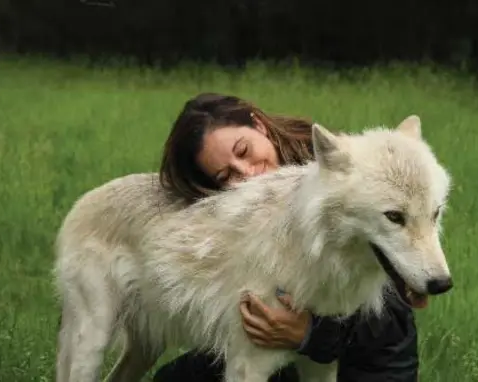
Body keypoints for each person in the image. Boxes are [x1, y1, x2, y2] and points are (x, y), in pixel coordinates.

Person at [153, 92, 420, 382]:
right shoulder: (241, 210)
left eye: (243, 151)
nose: (246, 173)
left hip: (367, 365)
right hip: (289, 344)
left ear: (259, 125)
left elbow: (391, 315)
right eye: (225, 175)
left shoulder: (341, 173)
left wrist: (310, 332)